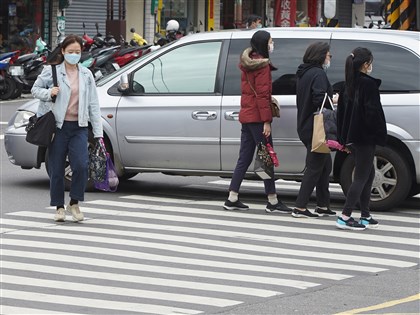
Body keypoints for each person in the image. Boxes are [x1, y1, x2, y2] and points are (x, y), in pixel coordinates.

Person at [31, 34, 103, 222]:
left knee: (81, 165)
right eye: (70, 52)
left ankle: (74, 203)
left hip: (79, 127)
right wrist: (49, 93)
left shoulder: (86, 74)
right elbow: (35, 89)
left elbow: (93, 105)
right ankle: (59, 206)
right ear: (63, 52)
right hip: (58, 127)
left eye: (77, 52)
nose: (74, 55)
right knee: (56, 169)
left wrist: (98, 133)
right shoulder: (52, 71)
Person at [223, 30, 292, 213]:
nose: (272, 44)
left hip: (247, 116)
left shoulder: (248, 62)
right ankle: (272, 200)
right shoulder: (262, 66)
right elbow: (262, 96)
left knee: (244, 158)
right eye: (270, 41)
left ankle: (232, 197)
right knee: (266, 158)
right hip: (258, 119)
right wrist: (267, 121)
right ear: (263, 44)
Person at [336, 47, 386, 230]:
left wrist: (344, 139)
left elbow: (340, 114)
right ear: (366, 64)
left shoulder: (348, 84)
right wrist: (380, 134)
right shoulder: (368, 85)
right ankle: (345, 215)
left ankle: (365, 214)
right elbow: (373, 113)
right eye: (370, 62)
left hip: (352, 137)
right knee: (361, 177)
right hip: (365, 137)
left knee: (368, 174)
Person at [293, 41, 336, 218]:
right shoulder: (318, 74)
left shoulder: (304, 73)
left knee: (325, 166)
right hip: (316, 127)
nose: (329, 57)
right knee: (315, 167)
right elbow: (319, 98)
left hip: (305, 125)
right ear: (320, 55)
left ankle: (322, 205)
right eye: (328, 54)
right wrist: (333, 101)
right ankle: (300, 207)